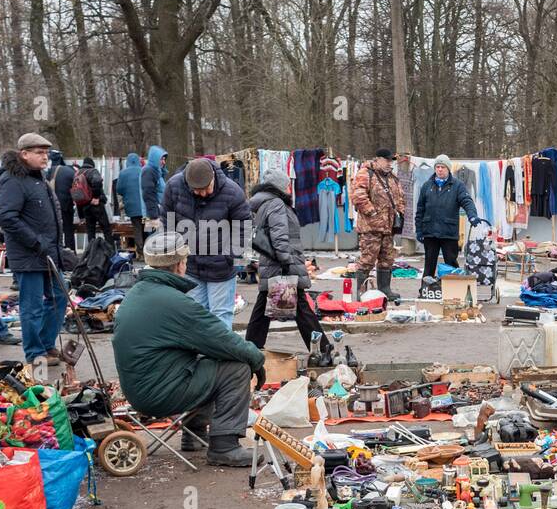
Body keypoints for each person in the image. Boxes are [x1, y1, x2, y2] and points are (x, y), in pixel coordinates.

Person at [112, 232, 265, 467]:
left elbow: (213, 342)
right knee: (235, 368)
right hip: (158, 393)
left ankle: (193, 436)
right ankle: (224, 446)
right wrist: (256, 359)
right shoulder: (174, 302)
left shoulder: (138, 293)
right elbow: (222, 338)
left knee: (208, 359)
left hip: (142, 389)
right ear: (180, 264)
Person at [0, 133, 70, 367]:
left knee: (60, 296)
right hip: (29, 256)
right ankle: (35, 354)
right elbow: (6, 217)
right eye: (39, 153)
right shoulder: (13, 180)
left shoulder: (39, 179)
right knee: (32, 307)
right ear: (24, 154)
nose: (45, 157)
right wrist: (36, 242)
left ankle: (46, 344)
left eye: (46, 152)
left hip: (48, 253)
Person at [244, 168, 333, 358]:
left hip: (273, 263)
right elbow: (279, 236)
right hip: (282, 264)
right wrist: (286, 262)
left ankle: (249, 348)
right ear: (278, 186)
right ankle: (324, 350)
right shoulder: (276, 203)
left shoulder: (265, 203)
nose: (289, 188)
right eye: (286, 184)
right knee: (302, 310)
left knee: (263, 311)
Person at [160, 156, 250, 329]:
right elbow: (166, 220)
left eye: (206, 188)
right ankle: (200, 355)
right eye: (197, 190)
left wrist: (230, 255)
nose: (202, 194)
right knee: (194, 317)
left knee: (220, 317)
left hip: (221, 268)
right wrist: (173, 254)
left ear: (213, 179)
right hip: (189, 266)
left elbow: (243, 227)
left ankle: (221, 355)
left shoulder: (233, 192)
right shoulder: (174, 187)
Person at [414, 154, 482, 294]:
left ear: (448, 169)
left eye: (442, 167)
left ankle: (454, 292)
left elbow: (467, 201)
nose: (439, 170)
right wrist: (419, 230)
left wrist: (472, 216)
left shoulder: (457, 186)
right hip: (430, 231)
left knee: (451, 263)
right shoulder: (427, 185)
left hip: (448, 232)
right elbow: (420, 209)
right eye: (437, 167)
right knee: (429, 265)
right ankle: (426, 290)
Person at [350, 149, 406, 301]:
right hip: (370, 228)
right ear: (378, 159)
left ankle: (385, 290)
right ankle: (360, 292)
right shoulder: (365, 173)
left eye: (391, 161)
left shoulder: (393, 178)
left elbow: (400, 197)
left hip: (388, 228)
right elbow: (358, 195)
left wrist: (399, 212)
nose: (390, 163)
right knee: (367, 260)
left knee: (387, 259)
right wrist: (372, 213)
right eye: (387, 160)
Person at [76, 157, 112, 245]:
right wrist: (96, 197)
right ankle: (111, 253)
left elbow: (77, 196)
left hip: (85, 207)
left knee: (90, 232)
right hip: (96, 206)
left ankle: (92, 253)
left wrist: (81, 216)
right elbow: (97, 181)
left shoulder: (77, 174)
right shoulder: (92, 171)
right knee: (106, 229)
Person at [115, 151, 146, 252]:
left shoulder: (123, 173)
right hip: (144, 206)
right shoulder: (143, 171)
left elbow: (119, 189)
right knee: (146, 229)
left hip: (132, 207)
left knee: (137, 228)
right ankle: (148, 251)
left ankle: (140, 251)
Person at [46, 150, 76, 251]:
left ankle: (57, 251)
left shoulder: (48, 172)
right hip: (67, 205)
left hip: (51, 205)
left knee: (54, 230)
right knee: (68, 230)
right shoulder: (70, 171)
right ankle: (71, 252)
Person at [141, 145, 167, 243]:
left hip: (156, 213)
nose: (164, 162)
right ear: (155, 158)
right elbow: (148, 194)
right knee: (154, 243)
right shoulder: (148, 171)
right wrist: (154, 217)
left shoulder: (156, 171)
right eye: (161, 159)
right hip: (151, 215)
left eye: (164, 159)